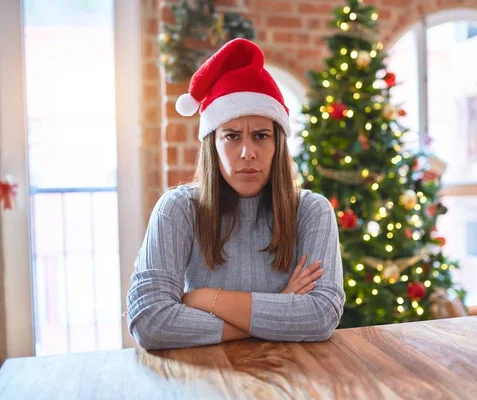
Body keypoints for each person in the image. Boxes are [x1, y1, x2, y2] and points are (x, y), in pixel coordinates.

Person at [126, 38, 346, 350]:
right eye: (231, 136)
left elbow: (321, 316)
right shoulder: (177, 209)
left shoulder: (311, 211)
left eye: (261, 136)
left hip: (291, 381)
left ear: (277, 144)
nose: (247, 152)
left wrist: (205, 299)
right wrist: (279, 310)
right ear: (212, 144)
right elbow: (150, 322)